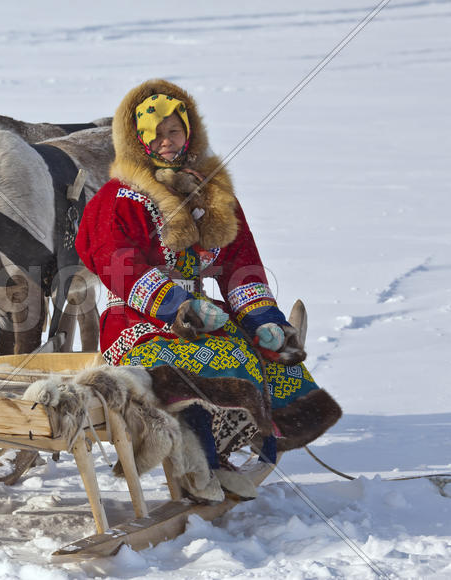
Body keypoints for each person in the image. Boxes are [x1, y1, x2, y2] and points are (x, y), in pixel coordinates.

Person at [75, 79, 341, 500]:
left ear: (189, 133)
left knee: (267, 353)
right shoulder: (116, 199)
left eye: (174, 131)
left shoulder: (212, 193)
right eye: (155, 133)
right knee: (202, 359)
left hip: (202, 314)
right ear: (137, 139)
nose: (166, 141)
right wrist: (176, 306)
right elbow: (115, 262)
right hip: (137, 317)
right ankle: (204, 465)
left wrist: (263, 319)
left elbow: (241, 264)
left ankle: (252, 452)